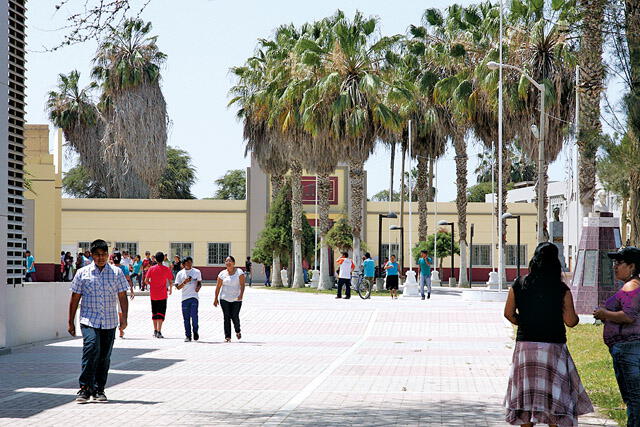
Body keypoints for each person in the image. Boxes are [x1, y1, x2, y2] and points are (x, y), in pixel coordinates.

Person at [503, 242, 593, 426]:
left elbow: (508, 313)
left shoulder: (519, 284)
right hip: (553, 347)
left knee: (525, 397)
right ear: (556, 263)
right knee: (555, 398)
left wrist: (525, 321)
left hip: (525, 348)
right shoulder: (561, 289)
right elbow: (571, 321)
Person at [68, 239, 129, 404]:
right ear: (92, 255)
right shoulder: (83, 272)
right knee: (91, 348)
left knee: (104, 356)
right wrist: (70, 321)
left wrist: (124, 318)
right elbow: (75, 298)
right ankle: (84, 388)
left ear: (107, 255)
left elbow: (122, 296)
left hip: (109, 321)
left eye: (103, 254)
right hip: (89, 319)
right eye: (97, 255)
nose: (100, 258)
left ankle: (98, 389)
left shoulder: (116, 273)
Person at [594, 246, 640, 425]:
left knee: (634, 397)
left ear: (632, 266)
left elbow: (628, 316)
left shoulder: (631, 286)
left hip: (628, 349)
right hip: (627, 349)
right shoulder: (632, 286)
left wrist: (604, 314)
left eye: (619, 263)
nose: (615, 266)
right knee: (633, 396)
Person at [214, 256, 245, 342]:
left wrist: (241, 294)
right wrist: (215, 298)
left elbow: (242, 284)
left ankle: (238, 330)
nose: (228, 262)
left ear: (234, 263)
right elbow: (218, 287)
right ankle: (227, 337)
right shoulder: (222, 273)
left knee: (234, 316)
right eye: (226, 261)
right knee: (226, 317)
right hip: (224, 298)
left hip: (236, 299)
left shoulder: (239, 272)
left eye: (230, 261)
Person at [144, 252, 173, 338]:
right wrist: (170, 289)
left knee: (154, 312)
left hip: (153, 294)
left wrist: (151, 284)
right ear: (163, 258)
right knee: (161, 312)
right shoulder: (166, 269)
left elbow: (146, 280)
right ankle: (159, 331)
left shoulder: (151, 269)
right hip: (163, 294)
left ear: (155, 259)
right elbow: (170, 281)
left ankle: (155, 330)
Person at [174, 257, 202, 342]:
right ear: (183, 264)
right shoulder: (180, 274)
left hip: (194, 297)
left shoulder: (197, 272)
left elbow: (199, 283)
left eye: (190, 262)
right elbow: (178, 287)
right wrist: (185, 282)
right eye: (187, 263)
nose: (189, 264)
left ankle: (195, 331)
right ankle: (188, 336)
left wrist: (198, 288)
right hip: (185, 298)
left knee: (194, 316)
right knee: (186, 318)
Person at [112, 252, 135, 338]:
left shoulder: (110, 267)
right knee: (121, 312)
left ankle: (112, 330)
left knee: (112, 311)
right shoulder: (124, 268)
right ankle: (121, 330)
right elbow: (128, 279)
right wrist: (132, 290)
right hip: (121, 292)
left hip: (111, 292)